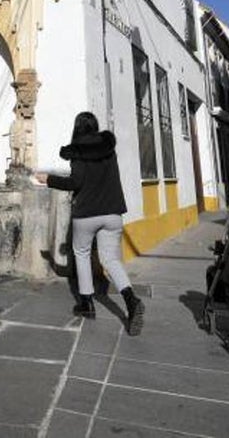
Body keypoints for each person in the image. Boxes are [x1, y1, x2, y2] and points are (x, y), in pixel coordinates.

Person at [35, 111, 145, 335]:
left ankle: (87, 304)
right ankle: (131, 301)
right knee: (111, 260)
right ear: (95, 126)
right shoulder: (108, 147)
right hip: (113, 212)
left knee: (82, 254)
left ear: (77, 128)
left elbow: (76, 182)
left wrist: (49, 179)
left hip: (87, 213)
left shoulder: (78, 151)